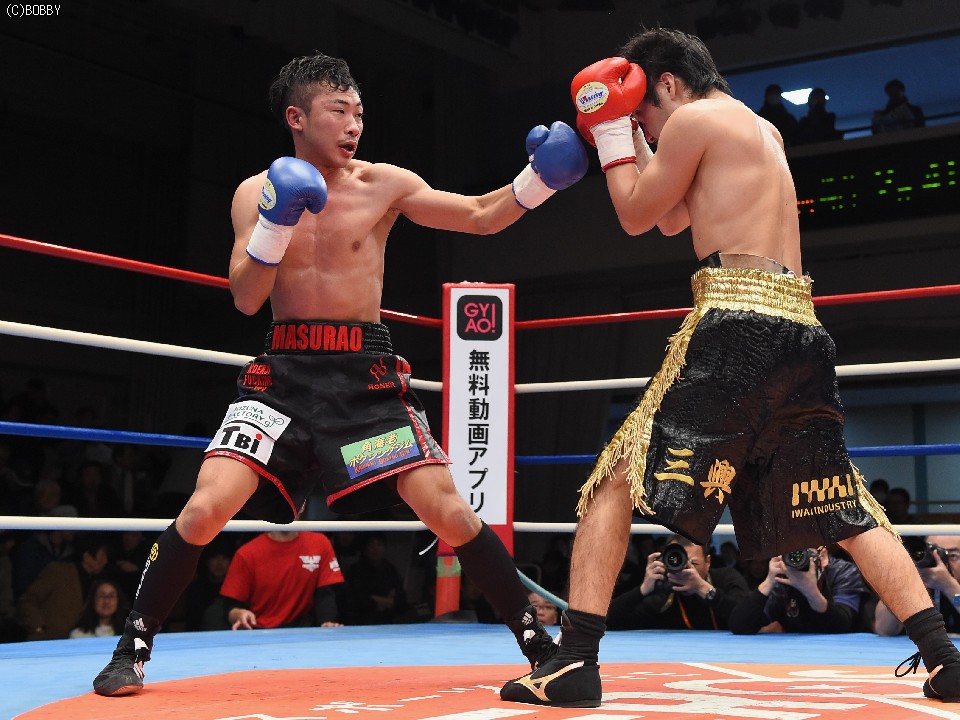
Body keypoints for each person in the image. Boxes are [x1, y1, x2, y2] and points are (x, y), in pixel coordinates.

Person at [93, 51, 586, 697]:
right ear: (297, 118)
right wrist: (276, 223)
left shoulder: (383, 183)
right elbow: (245, 296)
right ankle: (131, 649)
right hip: (282, 383)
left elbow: (478, 214)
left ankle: (541, 648)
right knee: (206, 505)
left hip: (364, 388)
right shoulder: (254, 192)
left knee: (446, 509)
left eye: (359, 112)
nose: (354, 125)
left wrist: (539, 180)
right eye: (338, 111)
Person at [500, 27, 960, 708]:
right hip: (800, 327)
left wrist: (610, 134)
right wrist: (635, 138)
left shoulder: (692, 120)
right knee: (841, 502)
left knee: (614, 479)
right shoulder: (756, 129)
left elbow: (634, 215)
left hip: (737, 319)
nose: (647, 127)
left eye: (643, 113)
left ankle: (573, 661)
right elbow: (670, 218)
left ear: (666, 84)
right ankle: (946, 659)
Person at [607, 534, 748, 630]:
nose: (686, 570)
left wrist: (703, 588)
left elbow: (748, 618)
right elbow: (606, 622)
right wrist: (642, 590)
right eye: (678, 562)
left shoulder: (726, 578)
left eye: (693, 563)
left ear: (708, 562)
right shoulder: (663, 596)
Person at [220, 530, 342, 630]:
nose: (286, 510)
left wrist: (327, 622)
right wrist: (239, 614)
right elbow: (231, 606)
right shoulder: (246, 554)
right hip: (260, 632)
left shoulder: (319, 543)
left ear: (302, 508)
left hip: (304, 631)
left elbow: (325, 593)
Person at [727, 546, 865, 634]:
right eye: (791, 554)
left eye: (803, 552)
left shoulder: (843, 572)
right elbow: (739, 625)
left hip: (841, 653)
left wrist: (811, 592)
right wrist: (768, 581)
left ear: (822, 557)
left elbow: (842, 624)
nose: (797, 559)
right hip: (793, 654)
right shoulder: (782, 579)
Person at [875, 535, 960, 636]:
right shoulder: (909, 576)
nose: (941, 562)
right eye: (934, 552)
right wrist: (904, 581)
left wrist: (949, 586)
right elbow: (884, 630)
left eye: (952, 556)